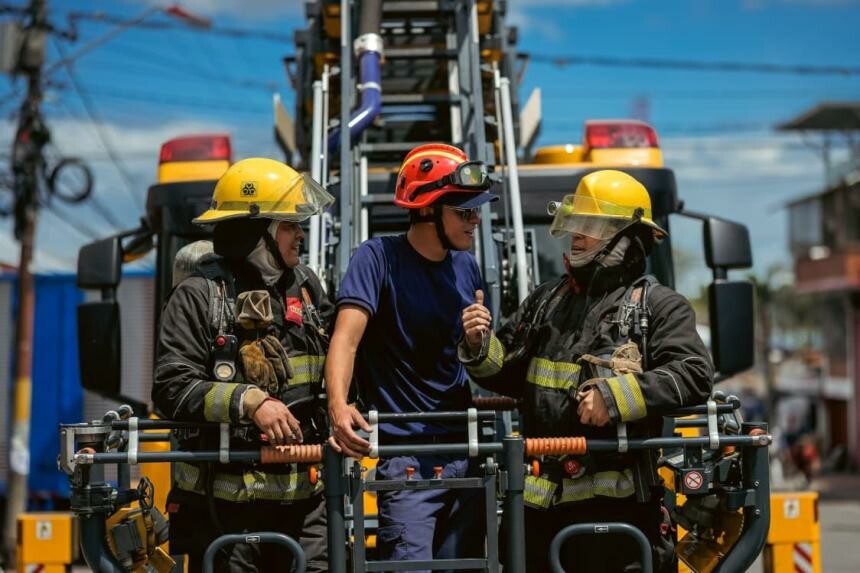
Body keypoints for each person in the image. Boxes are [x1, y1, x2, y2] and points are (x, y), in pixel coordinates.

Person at [460, 169, 714, 572]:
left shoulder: (660, 307)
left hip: (619, 520)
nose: (575, 235)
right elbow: (504, 371)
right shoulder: (547, 300)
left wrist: (614, 399)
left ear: (625, 238)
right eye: (575, 223)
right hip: (537, 517)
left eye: (590, 226)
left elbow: (695, 374)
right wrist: (478, 346)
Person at [152, 157, 334, 573]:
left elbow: (336, 364)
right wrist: (249, 400)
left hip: (306, 507)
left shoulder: (305, 288)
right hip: (227, 514)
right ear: (256, 232)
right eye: (289, 225)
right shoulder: (199, 297)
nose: (300, 235)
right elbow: (171, 389)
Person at [325, 143, 497, 570]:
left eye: (477, 210)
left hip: (465, 449)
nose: (475, 220)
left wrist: (478, 344)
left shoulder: (467, 267)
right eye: (464, 211)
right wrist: (338, 406)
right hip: (407, 461)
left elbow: (482, 360)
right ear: (426, 210)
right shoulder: (377, 258)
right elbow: (345, 340)